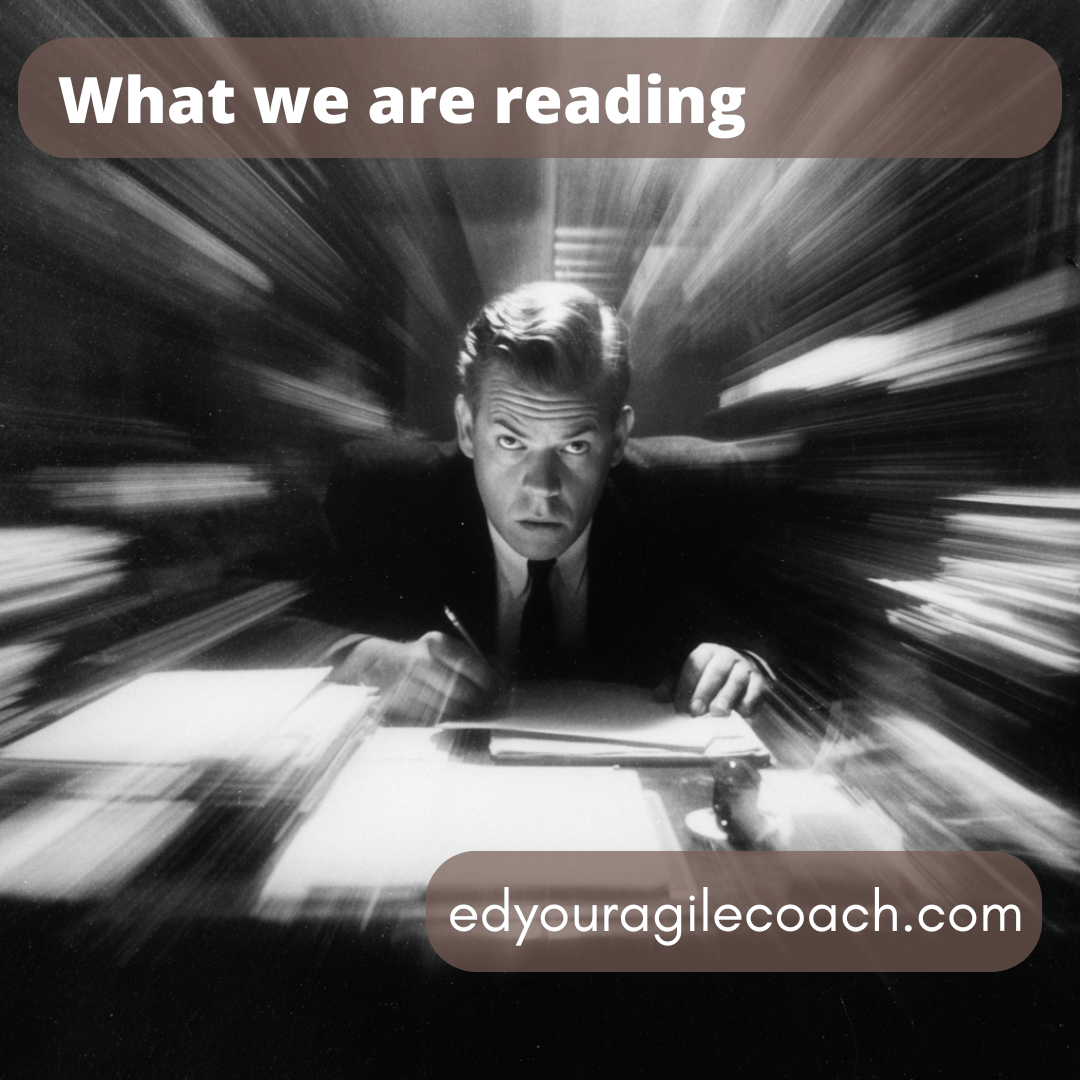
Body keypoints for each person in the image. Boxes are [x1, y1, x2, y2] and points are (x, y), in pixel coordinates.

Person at [323, 282, 771, 723]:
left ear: (618, 438)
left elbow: (781, 642)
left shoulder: (696, 493)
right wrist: (367, 661)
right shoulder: (383, 493)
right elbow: (284, 631)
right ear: (466, 428)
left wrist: (745, 663)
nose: (542, 487)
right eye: (510, 441)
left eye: (575, 446)